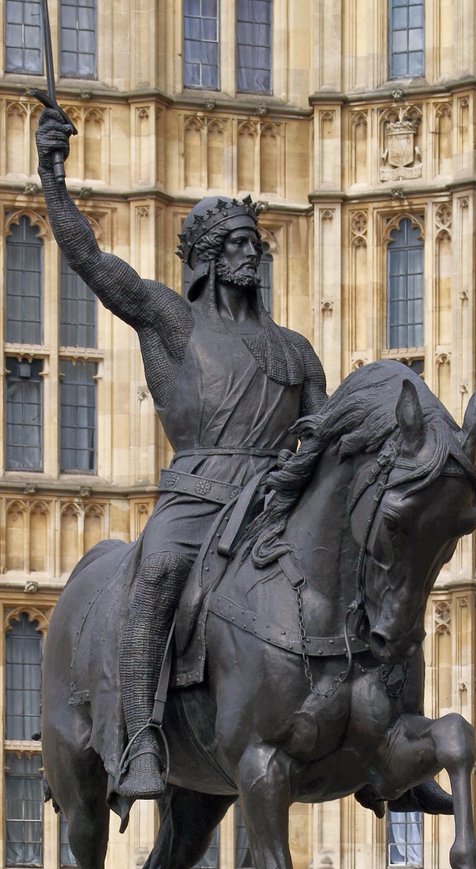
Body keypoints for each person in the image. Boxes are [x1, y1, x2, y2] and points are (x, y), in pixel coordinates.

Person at [36, 104, 328, 802]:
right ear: (205, 258)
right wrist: (52, 179)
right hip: (197, 496)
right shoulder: (174, 320)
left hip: (271, 504)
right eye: (233, 243)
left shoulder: (296, 350)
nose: (249, 253)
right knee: (158, 569)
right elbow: (91, 260)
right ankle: (138, 743)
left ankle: (384, 745)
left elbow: (320, 436)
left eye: (254, 242)